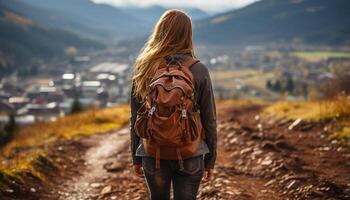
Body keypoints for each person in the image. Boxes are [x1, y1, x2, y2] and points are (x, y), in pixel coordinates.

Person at [130, 9, 217, 200]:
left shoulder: (145, 67)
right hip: (190, 153)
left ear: (160, 32)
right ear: (188, 34)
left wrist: (136, 157)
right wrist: (210, 160)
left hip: (153, 153)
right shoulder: (199, 70)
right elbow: (209, 119)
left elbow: (136, 116)